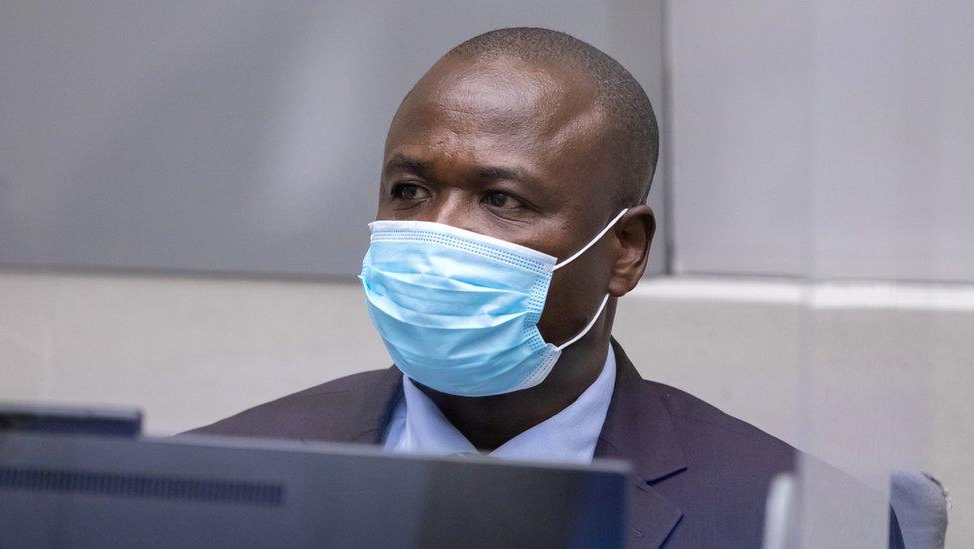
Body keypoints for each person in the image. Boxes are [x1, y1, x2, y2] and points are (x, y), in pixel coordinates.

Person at [191, 27, 902, 547]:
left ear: (624, 250)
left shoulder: (801, 521)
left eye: (501, 199)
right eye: (408, 190)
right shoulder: (211, 482)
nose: (439, 234)